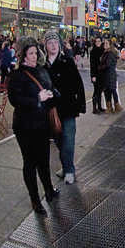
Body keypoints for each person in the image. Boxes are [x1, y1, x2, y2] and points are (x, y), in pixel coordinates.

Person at [7, 37, 60, 215]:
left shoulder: (40, 70)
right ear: (23, 56)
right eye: (30, 53)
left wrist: (52, 94)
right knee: (30, 162)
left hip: (42, 123)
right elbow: (15, 100)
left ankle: (49, 190)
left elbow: (51, 87)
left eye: (36, 53)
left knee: (44, 160)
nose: (34, 56)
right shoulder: (17, 75)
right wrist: (37, 98)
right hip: (25, 125)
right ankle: (35, 200)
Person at [44, 31, 86, 185]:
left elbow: (78, 83)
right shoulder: (43, 64)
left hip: (68, 108)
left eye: (55, 42)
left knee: (68, 140)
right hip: (52, 109)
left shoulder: (67, 61)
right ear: (46, 46)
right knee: (59, 140)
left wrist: (80, 104)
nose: (53, 45)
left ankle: (69, 170)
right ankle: (66, 165)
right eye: (50, 43)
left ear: (59, 44)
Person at [99, 38, 121, 113]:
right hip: (108, 75)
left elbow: (107, 64)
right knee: (109, 91)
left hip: (109, 75)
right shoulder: (107, 52)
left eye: (106, 43)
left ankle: (115, 107)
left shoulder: (110, 53)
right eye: (104, 43)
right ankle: (110, 107)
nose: (105, 45)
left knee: (110, 90)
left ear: (110, 45)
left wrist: (100, 67)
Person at [89, 36, 105, 113]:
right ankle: (94, 108)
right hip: (96, 74)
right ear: (95, 42)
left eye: (99, 41)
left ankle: (99, 106)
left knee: (100, 91)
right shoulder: (93, 51)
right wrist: (93, 76)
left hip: (102, 74)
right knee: (96, 91)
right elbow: (92, 65)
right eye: (97, 41)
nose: (98, 43)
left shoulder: (103, 50)